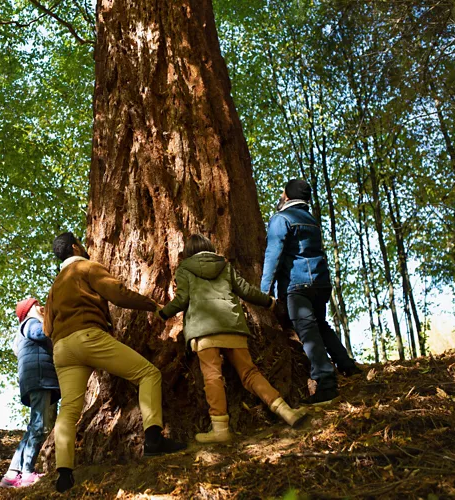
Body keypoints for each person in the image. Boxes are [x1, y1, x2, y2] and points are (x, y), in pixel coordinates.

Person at [44, 232, 186, 493]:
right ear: (76, 247)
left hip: (61, 349)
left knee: (69, 410)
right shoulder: (86, 267)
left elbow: (47, 328)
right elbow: (118, 295)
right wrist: (151, 304)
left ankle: (64, 474)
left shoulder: (54, 287)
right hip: (88, 336)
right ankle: (153, 440)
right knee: (148, 374)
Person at [158, 234, 308, 443]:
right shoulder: (224, 266)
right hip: (232, 327)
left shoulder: (185, 269)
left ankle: (220, 429)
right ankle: (286, 412)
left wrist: (163, 313)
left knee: (212, 377)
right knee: (249, 373)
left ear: (189, 252)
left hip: (204, 331)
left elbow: (182, 299)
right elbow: (246, 291)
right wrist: (270, 302)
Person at [261, 179, 362, 406]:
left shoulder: (281, 219)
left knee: (308, 330)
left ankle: (326, 383)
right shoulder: (311, 220)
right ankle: (347, 366)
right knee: (321, 324)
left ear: (287, 195)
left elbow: (273, 256)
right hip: (320, 282)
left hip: (298, 284)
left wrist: (263, 290)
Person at [0, 298, 61, 488]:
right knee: (39, 426)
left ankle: (11, 475)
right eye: (37, 305)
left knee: (33, 426)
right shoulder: (31, 323)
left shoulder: (22, 331)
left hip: (35, 380)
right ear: (29, 310)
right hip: (40, 379)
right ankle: (27, 473)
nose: (41, 307)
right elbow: (41, 334)